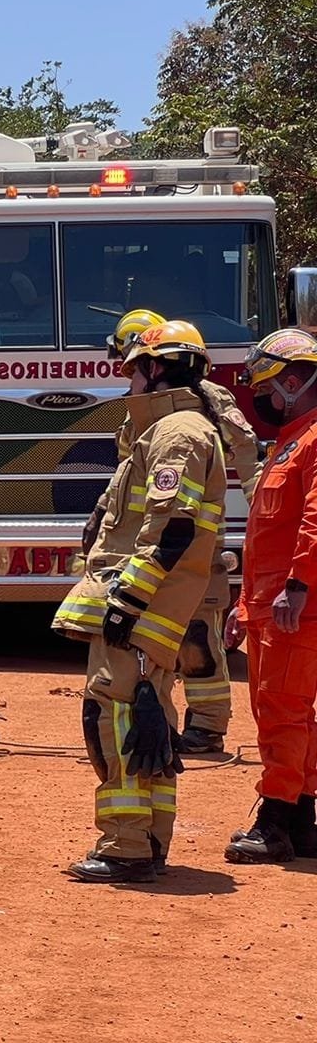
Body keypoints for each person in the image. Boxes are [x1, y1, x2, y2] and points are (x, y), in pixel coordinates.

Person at [55, 319, 227, 883]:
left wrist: (128, 599)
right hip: (152, 605)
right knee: (146, 722)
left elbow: (173, 527)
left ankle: (125, 847)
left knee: (114, 719)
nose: (126, 381)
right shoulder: (167, 429)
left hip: (141, 605)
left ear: (155, 368)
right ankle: (148, 841)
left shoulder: (177, 432)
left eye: (131, 370)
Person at [106, 310, 262, 753]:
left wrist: (263, 511)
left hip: (190, 534)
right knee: (150, 636)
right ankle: (154, 719)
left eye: (132, 360)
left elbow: (245, 450)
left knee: (197, 637)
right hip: (147, 538)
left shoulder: (203, 402)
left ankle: (208, 726)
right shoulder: (145, 405)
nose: (128, 369)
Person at [222, 329, 317, 863]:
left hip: (294, 608)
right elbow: (263, 539)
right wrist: (241, 606)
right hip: (270, 605)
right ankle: (302, 821)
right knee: (289, 713)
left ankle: (275, 821)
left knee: (283, 712)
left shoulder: (314, 440)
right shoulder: (291, 441)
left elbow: (314, 522)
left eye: (266, 386)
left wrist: (298, 588)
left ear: (294, 380)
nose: (260, 398)